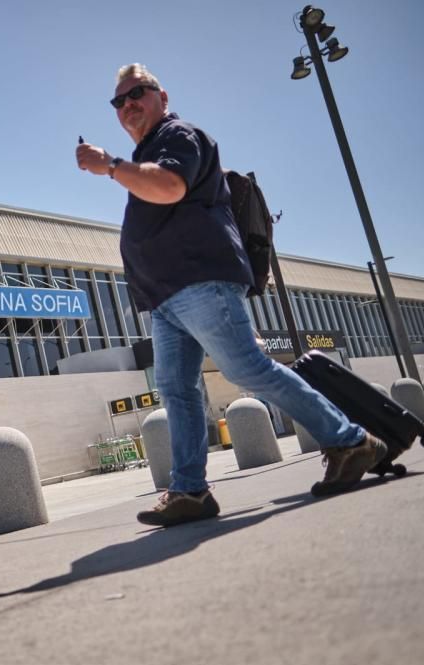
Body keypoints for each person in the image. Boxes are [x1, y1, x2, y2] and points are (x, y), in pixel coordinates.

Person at [76, 63, 387, 527]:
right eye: (119, 101)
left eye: (137, 93)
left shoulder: (178, 136)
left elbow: (170, 187)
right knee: (177, 392)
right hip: (165, 298)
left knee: (247, 368)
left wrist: (110, 166)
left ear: (162, 94)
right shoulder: (149, 151)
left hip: (201, 280)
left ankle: (350, 440)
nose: (128, 105)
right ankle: (190, 491)